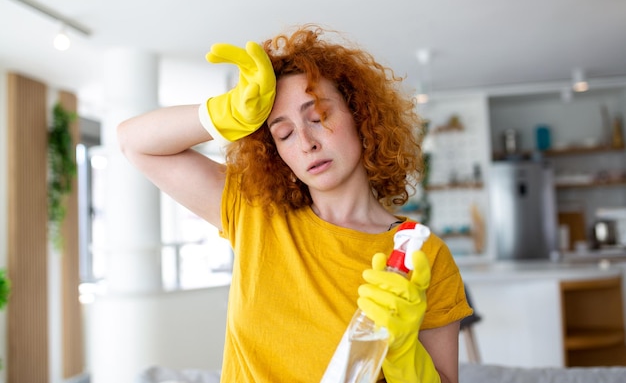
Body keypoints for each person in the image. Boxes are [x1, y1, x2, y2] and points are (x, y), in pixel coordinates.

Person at [117, 24, 472, 383]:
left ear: (362, 117)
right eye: (284, 133)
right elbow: (134, 142)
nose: (305, 142)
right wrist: (223, 115)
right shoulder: (255, 212)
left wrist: (403, 353)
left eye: (318, 117)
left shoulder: (422, 255)